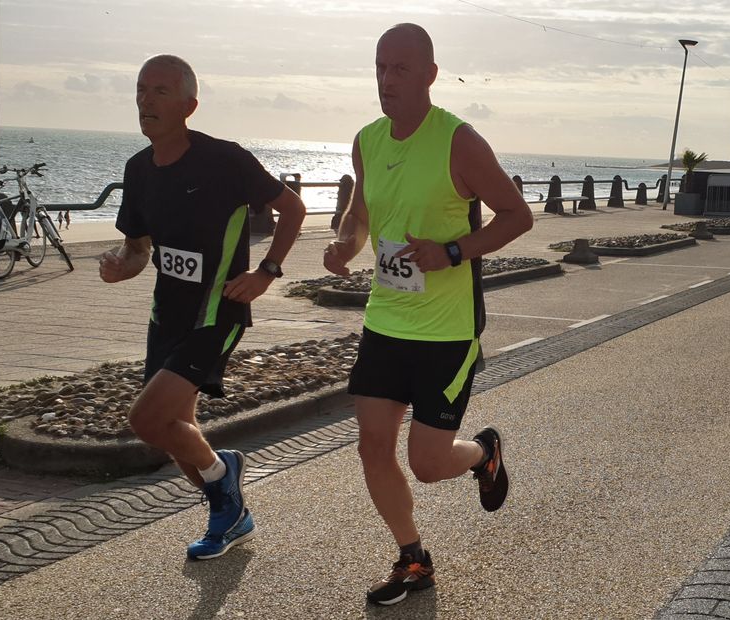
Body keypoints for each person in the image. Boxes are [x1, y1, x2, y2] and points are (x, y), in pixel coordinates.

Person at [323, 24, 533, 606]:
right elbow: (360, 212)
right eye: (381, 68)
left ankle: (483, 452)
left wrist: (452, 251)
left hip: (447, 330)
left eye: (401, 69)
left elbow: (517, 216)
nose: (388, 80)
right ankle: (413, 557)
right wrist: (344, 241)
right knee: (372, 445)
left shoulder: (458, 142)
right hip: (385, 319)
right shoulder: (367, 140)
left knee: (429, 464)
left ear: (430, 75)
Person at [99, 55, 306, 560]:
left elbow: (294, 208)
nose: (146, 100)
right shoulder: (138, 169)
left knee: (146, 421)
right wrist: (118, 265)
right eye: (141, 90)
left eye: (161, 91)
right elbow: (138, 249)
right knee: (177, 440)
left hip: (217, 311)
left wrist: (266, 273)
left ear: (189, 105)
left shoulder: (224, 160)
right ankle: (227, 498)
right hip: (165, 316)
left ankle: (227, 493)